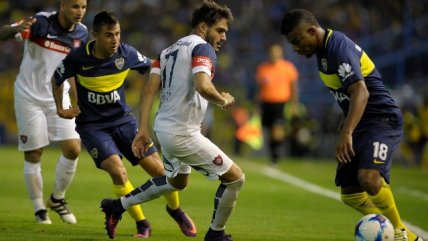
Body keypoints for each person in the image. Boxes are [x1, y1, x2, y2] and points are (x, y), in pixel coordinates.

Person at [99, 1, 245, 241]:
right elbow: (202, 85)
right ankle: (216, 234)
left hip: (163, 129)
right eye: (220, 30)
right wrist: (223, 100)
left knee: (177, 182)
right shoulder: (202, 48)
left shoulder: (166, 52)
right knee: (236, 178)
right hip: (183, 133)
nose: (223, 37)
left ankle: (118, 206)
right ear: (202, 26)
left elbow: (149, 90)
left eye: (225, 32)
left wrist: (143, 129)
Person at [280, 9, 423, 241]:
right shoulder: (322, 54)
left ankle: (401, 234)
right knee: (350, 193)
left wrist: (347, 131)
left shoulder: (338, 47)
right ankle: (389, 230)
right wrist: (345, 121)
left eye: (297, 41)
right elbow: (346, 95)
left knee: (368, 178)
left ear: (311, 30)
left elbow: (361, 91)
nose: (296, 48)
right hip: (361, 122)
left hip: (380, 119)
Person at [51, 11, 196, 238]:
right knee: (118, 172)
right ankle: (142, 223)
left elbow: (154, 66)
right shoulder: (78, 58)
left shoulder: (126, 53)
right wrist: (61, 107)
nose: (115, 40)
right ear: (95, 35)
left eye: (117, 34)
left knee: (159, 170)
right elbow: (57, 78)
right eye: (109, 35)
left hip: (124, 121)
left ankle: (176, 211)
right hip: (93, 127)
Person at [0, 0, 88, 225]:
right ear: (63, 6)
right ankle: (39, 208)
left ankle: (57, 198)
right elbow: (3, 34)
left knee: (73, 149)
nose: (80, 12)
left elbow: (73, 70)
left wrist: (78, 100)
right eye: (75, 6)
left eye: (83, 7)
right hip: (29, 96)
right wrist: (13, 30)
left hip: (60, 95)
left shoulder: (82, 33)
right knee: (34, 153)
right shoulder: (40, 23)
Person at [255, 43, 299, 164]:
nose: (274, 54)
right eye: (272, 52)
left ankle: (276, 155)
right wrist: (257, 105)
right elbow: (260, 88)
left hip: (281, 102)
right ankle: (273, 155)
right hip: (266, 102)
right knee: (269, 130)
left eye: (277, 52)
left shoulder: (288, 68)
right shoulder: (263, 68)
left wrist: (294, 104)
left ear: (281, 53)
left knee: (277, 129)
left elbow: (294, 88)